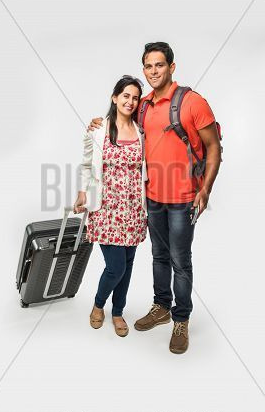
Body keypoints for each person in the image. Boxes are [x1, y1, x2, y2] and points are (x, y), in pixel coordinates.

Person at [88, 42, 221, 353]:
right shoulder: (143, 105)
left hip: (184, 197)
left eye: (159, 65)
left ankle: (181, 319)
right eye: (148, 66)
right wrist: (99, 123)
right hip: (150, 199)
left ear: (172, 67)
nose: (153, 71)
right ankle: (161, 306)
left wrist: (206, 189)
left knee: (180, 260)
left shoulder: (192, 102)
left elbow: (213, 147)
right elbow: (121, 125)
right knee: (159, 256)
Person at [73, 75, 148, 337]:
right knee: (116, 266)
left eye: (135, 97)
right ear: (115, 98)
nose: (130, 101)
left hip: (134, 210)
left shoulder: (141, 132)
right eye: (125, 95)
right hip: (106, 210)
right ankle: (98, 304)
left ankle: (118, 312)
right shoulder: (97, 130)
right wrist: (82, 194)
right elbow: (85, 164)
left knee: (127, 266)